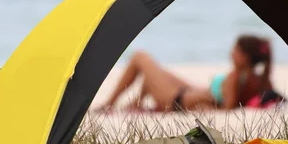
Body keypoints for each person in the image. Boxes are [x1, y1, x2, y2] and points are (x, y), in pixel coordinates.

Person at [96, 35, 276, 113]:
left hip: (177, 101)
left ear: (244, 57)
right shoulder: (259, 80)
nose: (231, 52)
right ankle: (135, 105)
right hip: (188, 94)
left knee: (139, 57)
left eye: (235, 49)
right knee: (156, 73)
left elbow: (227, 109)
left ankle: (109, 104)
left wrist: (206, 106)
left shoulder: (236, 76)